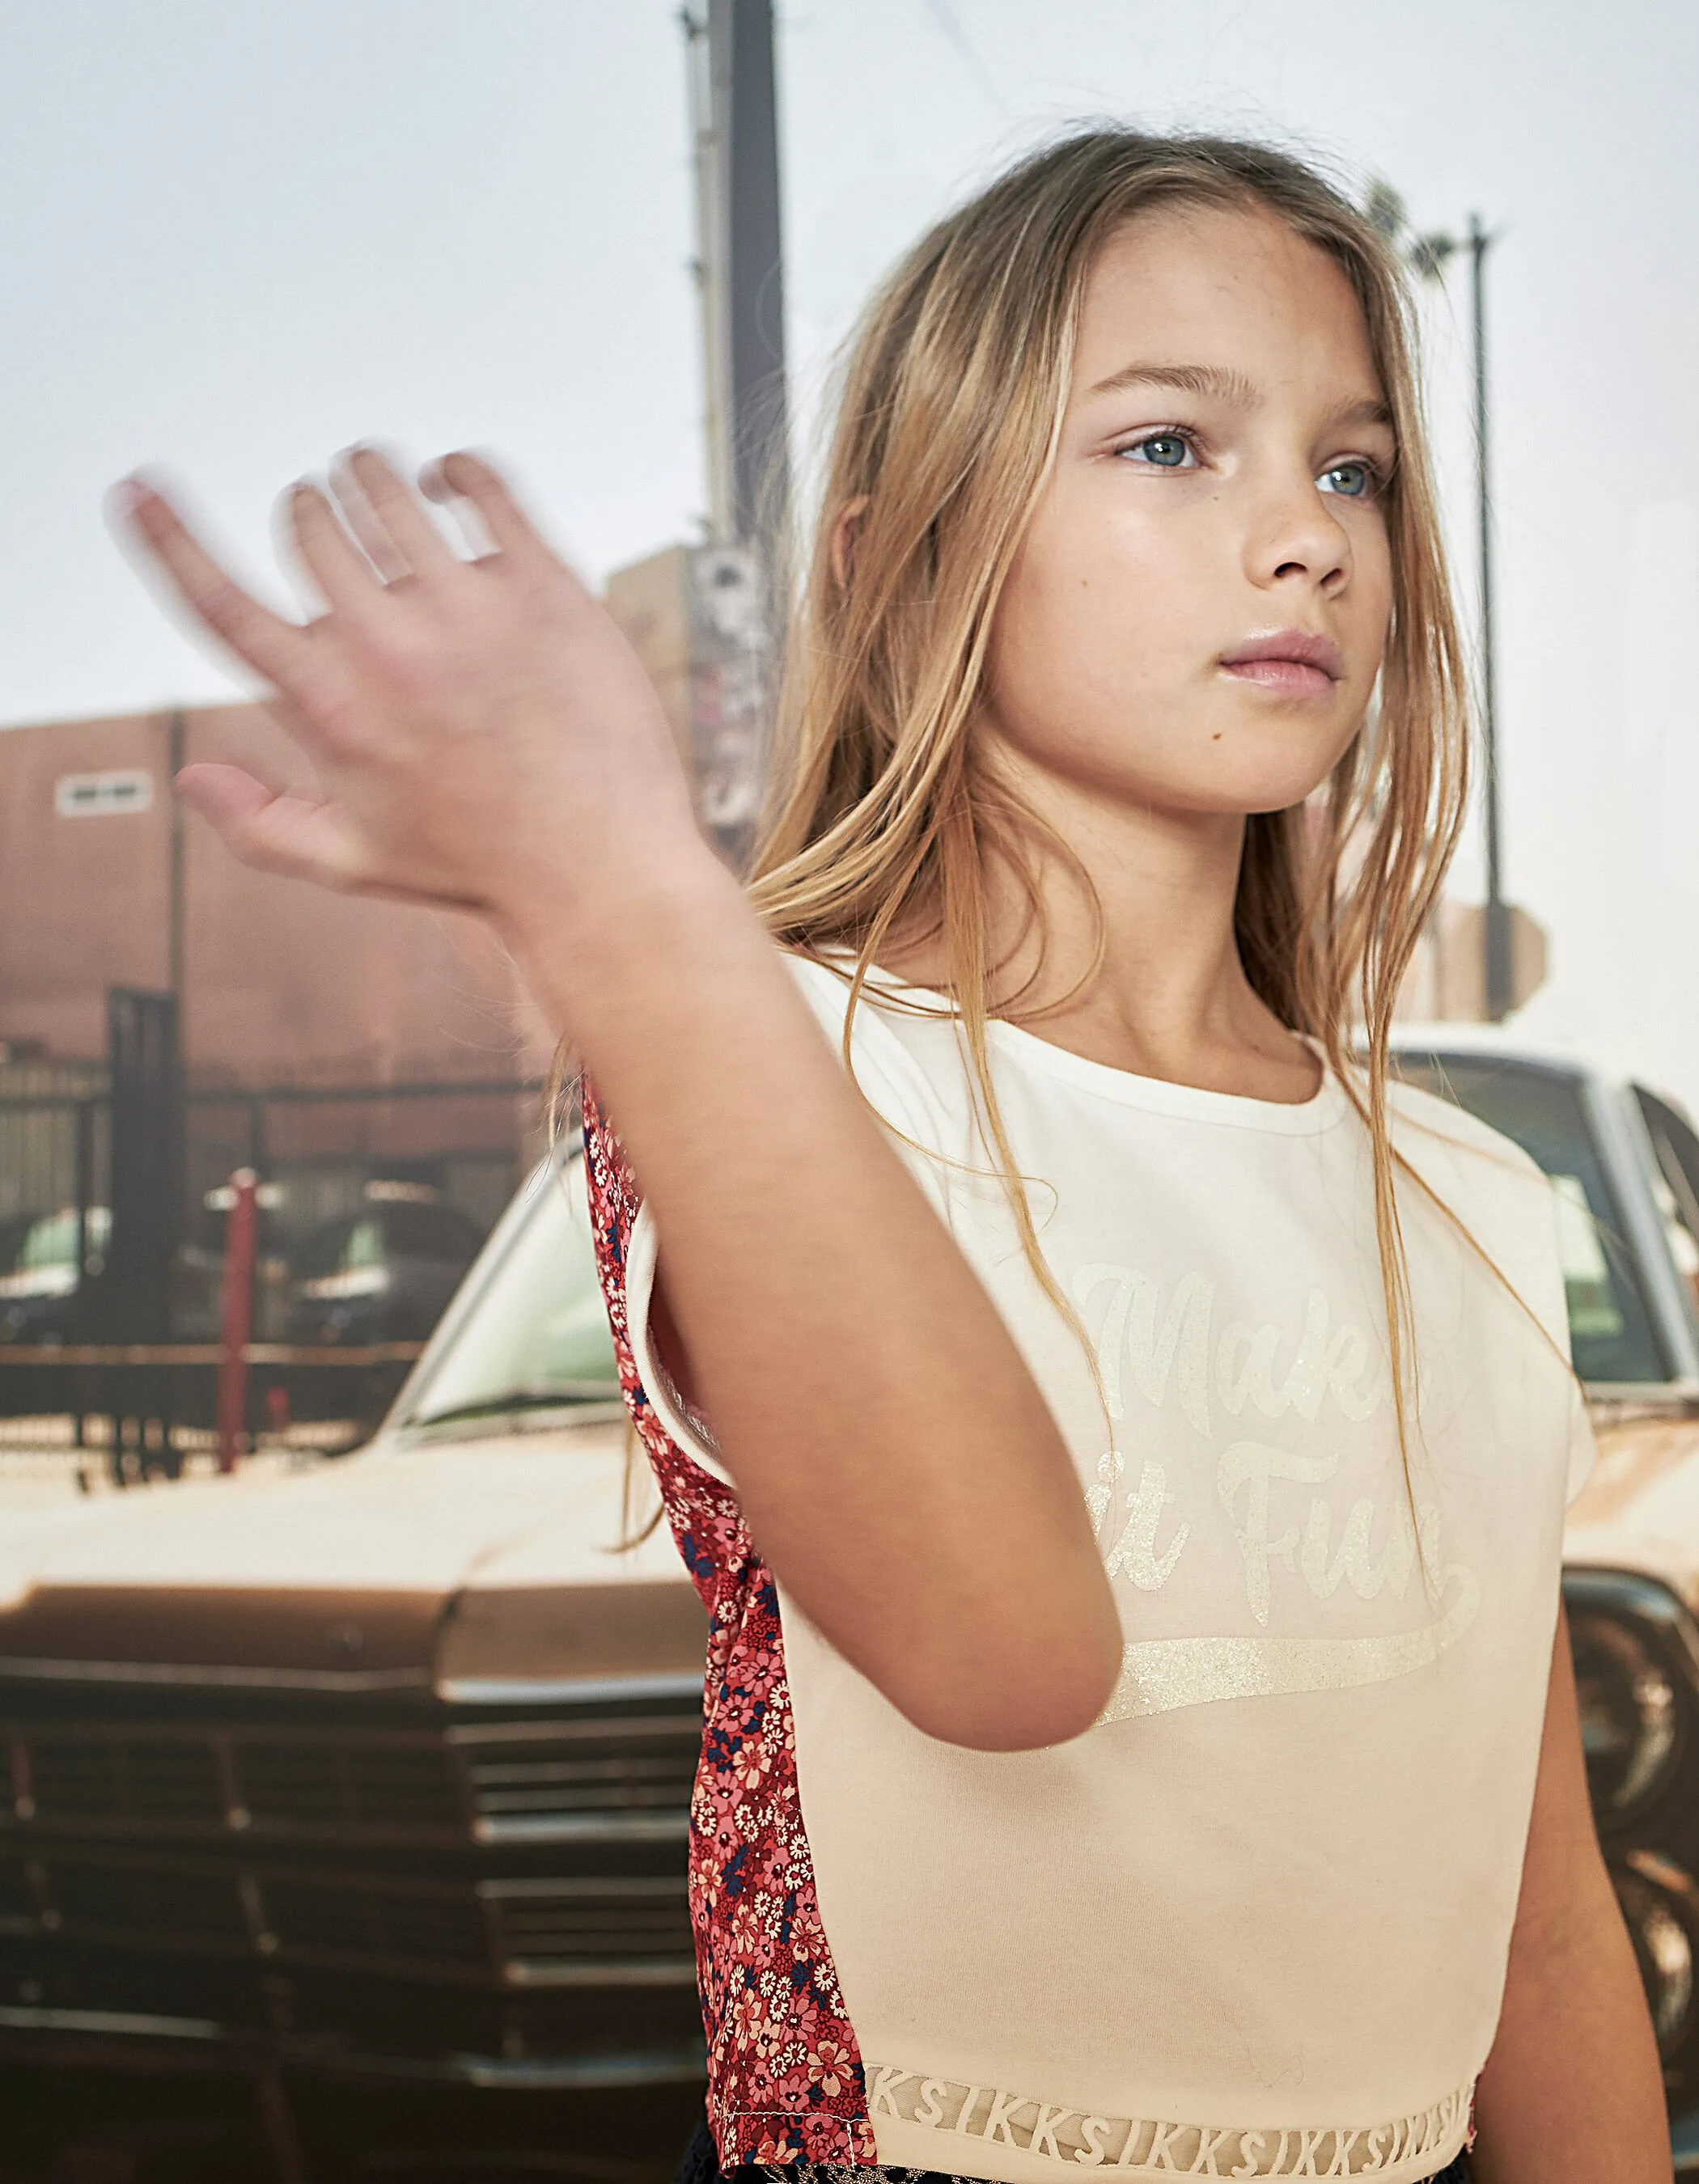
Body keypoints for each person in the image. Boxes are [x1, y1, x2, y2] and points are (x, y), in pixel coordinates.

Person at [114, 127, 1667, 2184]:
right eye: (1172, 448)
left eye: (1352, 466)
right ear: (904, 552)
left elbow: (1543, 1928)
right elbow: (1004, 1653)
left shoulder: (1476, 1202)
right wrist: (616, 881)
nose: (1304, 533)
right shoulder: (770, 1061)